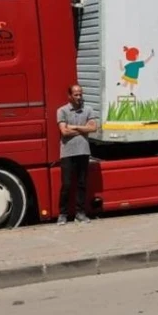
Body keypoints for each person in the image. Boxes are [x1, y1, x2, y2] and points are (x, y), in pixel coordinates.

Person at [57, 84, 99, 224]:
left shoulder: (88, 110)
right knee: (67, 184)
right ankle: (62, 214)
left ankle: (80, 213)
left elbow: (93, 128)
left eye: (80, 94)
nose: (79, 97)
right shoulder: (62, 111)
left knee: (82, 183)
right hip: (67, 153)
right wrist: (83, 129)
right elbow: (64, 131)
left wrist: (74, 127)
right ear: (69, 96)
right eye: (76, 94)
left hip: (83, 151)